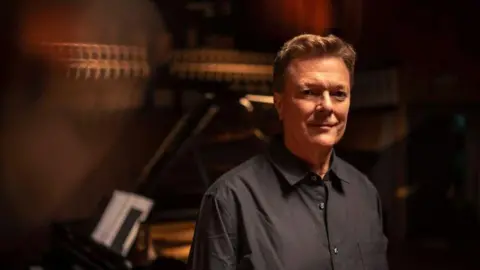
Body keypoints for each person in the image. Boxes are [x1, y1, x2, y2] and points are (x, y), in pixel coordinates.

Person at [187, 34, 389, 270]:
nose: (327, 106)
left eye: (338, 94)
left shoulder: (364, 193)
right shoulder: (229, 200)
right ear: (280, 104)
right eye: (309, 92)